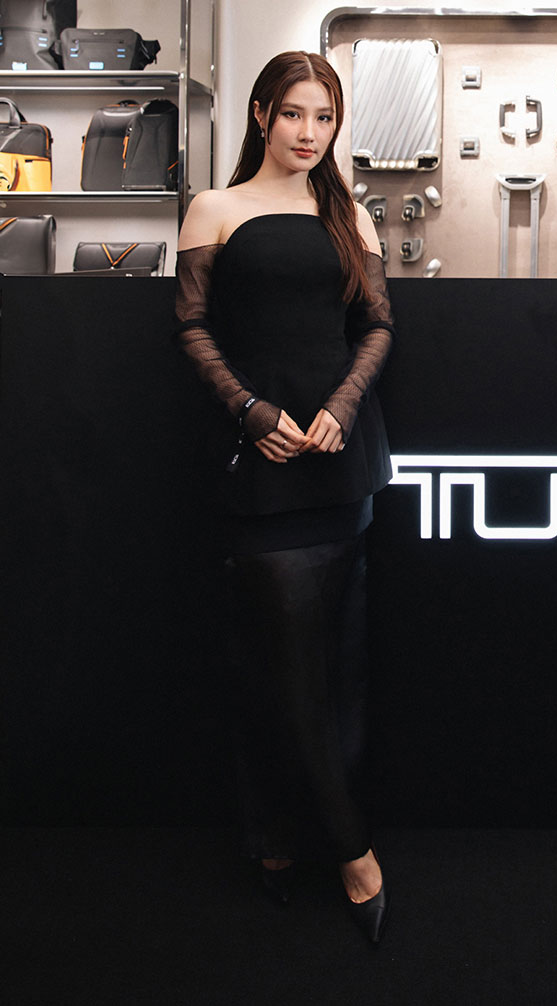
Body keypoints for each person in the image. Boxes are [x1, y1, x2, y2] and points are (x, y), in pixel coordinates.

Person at [174, 50, 393, 945]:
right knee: (285, 669)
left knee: (338, 672)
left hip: (340, 465)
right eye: (295, 114)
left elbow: (376, 327)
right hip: (260, 465)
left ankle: (275, 836)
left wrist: (342, 408)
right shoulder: (216, 209)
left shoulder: (350, 215)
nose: (310, 133)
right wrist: (250, 410)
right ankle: (352, 852)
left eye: (325, 118)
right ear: (262, 114)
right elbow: (191, 326)